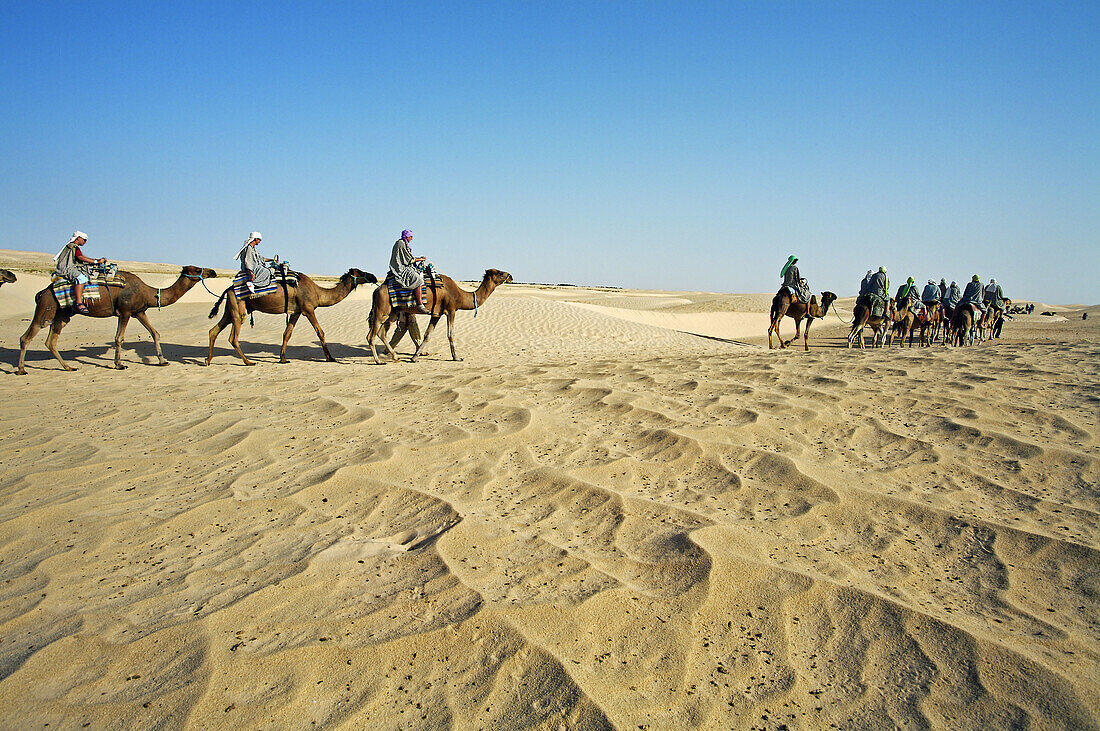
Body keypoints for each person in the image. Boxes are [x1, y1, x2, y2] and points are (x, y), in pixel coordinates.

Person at [54, 231, 106, 315]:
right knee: (82, 278)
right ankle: (78, 302)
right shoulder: (72, 247)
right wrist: (96, 261)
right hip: (67, 269)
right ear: (78, 238)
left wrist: (97, 261)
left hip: (70, 267)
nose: (85, 242)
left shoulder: (73, 247)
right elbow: (80, 257)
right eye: (84, 240)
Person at [389, 229, 431, 314]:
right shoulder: (401, 243)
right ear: (407, 236)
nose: (411, 238)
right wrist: (420, 259)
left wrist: (419, 258)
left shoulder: (404, 243)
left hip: (405, 266)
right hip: (401, 268)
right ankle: (420, 305)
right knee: (419, 280)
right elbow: (408, 260)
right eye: (411, 236)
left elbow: (407, 257)